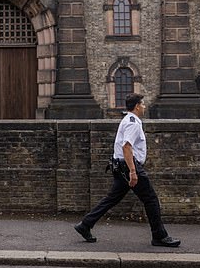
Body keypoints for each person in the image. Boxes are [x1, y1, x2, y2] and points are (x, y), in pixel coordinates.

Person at [74, 93, 181, 247]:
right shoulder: (133, 123)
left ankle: (85, 225)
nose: (144, 107)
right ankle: (159, 236)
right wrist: (133, 171)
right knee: (151, 199)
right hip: (128, 166)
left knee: (112, 199)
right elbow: (126, 147)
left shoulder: (128, 120)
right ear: (137, 106)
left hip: (121, 166)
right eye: (143, 104)